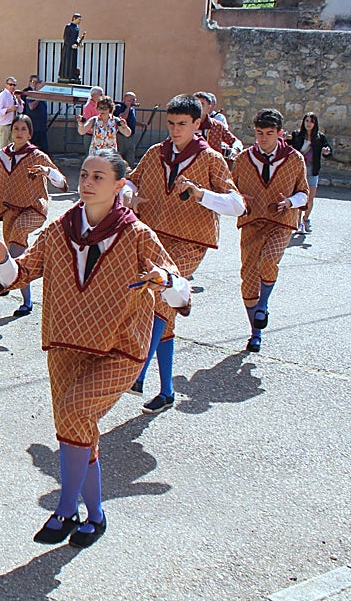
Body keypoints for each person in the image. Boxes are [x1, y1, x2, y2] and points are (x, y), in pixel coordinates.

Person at [0, 149, 189, 548]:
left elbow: (181, 292)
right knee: (74, 429)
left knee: (76, 411)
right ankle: (93, 515)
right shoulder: (60, 228)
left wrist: (165, 281)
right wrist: (4, 259)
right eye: (85, 175)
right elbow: (22, 272)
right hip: (64, 344)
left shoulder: (138, 235)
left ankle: (63, 509)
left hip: (119, 348)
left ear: (119, 186)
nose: (87, 182)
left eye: (98, 176)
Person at [123, 95, 245, 414]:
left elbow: (237, 204)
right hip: (154, 240)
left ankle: (138, 371)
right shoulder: (154, 154)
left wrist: (202, 195)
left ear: (197, 124)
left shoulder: (210, 159)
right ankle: (166, 392)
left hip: (191, 242)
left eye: (182, 124)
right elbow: (131, 184)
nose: (176, 130)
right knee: (166, 313)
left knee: (162, 294)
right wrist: (130, 196)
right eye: (172, 123)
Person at [231, 109, 310, 353]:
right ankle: (255, 332)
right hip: (252, 222)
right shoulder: (244, 159)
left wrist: (289, 202)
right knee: (248, 277)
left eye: (269, 133)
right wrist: (238, 197)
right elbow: (230, 190)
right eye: (259, 133)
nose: (263, 138)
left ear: (280, 134)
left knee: (269, 260)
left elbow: (304, 193)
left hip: (281, 220)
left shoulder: (294, 159)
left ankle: (263, 306)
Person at [0, 115, 67, 317]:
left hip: (34, 208)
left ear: (29, 133)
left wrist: (46, 171)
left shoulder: (37, 156)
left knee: (18, 234)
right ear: (11, 131)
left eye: (23, 129)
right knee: (18, 254)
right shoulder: (1, 156)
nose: (19, 132)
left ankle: (1, 277)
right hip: (9, 211)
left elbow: (62, 183)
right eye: (16, 128)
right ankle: (26, 302)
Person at [287, 112, 332, 234]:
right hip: (299, 169)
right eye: (307, 121)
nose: (309, 124)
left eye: (311, 121)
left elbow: (328, 151)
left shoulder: (319, 138)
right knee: (299, 196)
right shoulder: (297, 135)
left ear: (315, 123)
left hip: (313, 170)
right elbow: (288, 147)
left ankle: (306, 219)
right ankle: (299, 223)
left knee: (310, 198)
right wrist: (286, 139)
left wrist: (326, 151)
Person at [196, 91, 243, 162]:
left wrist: (235, 150)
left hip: (213, 165)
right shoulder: (186, 125)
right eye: (196, 104)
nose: (198, 107)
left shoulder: (217, 126)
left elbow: (235, 142)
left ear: (209, 107)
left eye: (202, 104)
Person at [0, 76, 25, 150]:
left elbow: (20, 110)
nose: (12, 86)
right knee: (3, 149)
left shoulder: (14, 96)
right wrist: (9, 109)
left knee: (12, 148)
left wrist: (19, 99)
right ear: (6, 85)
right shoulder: (2, 96)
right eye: (10, 84)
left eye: (14, 85)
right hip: (4, 126)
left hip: (12, 126)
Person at [22, 75, 51, 151]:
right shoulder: (30, 93)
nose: (34, 83)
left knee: (44, 149)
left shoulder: (43, 96)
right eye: (33, 82)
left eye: (36, 82)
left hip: (41, 127)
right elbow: (31, 107)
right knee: (30, 148)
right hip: (33, 126)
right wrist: (39, 97)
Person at [113, 91, 140, 165]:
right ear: (125, 100)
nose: (133, 102)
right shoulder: (119, 107)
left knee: (130, 155)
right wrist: (128, 107)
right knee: (120, 155)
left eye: (134, 100)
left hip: (131, 136)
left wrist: (142, 125)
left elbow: (132, 121)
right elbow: (122, 118)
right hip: (121, 136)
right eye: (131, 100)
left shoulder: (132, 109)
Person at [59, 13, 84, 83]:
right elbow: (66, 38)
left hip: (74, 48)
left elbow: (77, 37)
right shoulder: (68, 27)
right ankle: (65, 75)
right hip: (68, 48)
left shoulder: (77, 27)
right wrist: (71, 45)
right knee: (67, 61)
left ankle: (72, 74)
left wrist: (80, 42)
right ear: (74, 18)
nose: (79, 21)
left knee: (73, 61)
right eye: (79, 19)